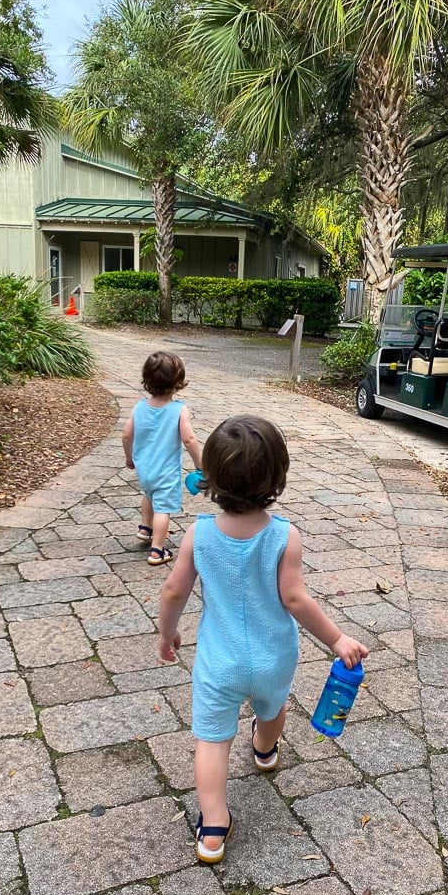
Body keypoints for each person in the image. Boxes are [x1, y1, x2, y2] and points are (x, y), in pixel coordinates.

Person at [157, 414, 368, 863]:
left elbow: (174, 589)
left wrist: (168, 631)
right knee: (273, 709)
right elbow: (295, 598)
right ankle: (265, 748)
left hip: (219, 663)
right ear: (278, 477)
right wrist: (337, 640)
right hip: (274, 658)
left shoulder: (198, 534)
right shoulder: (284, 535)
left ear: (210, 477)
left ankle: (213, 826)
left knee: (212, 740)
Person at [122, 351, 202, 565]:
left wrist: (129, 458)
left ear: (147, 380)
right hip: (165, 472)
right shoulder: (178, 410)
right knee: (163, 508)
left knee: (148, 494)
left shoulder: (139, 407)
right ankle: (157, 550)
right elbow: (189, 440)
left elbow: (126, 434)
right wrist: (200, 465)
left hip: (144, 469)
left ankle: (145, 528)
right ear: (178, 382)